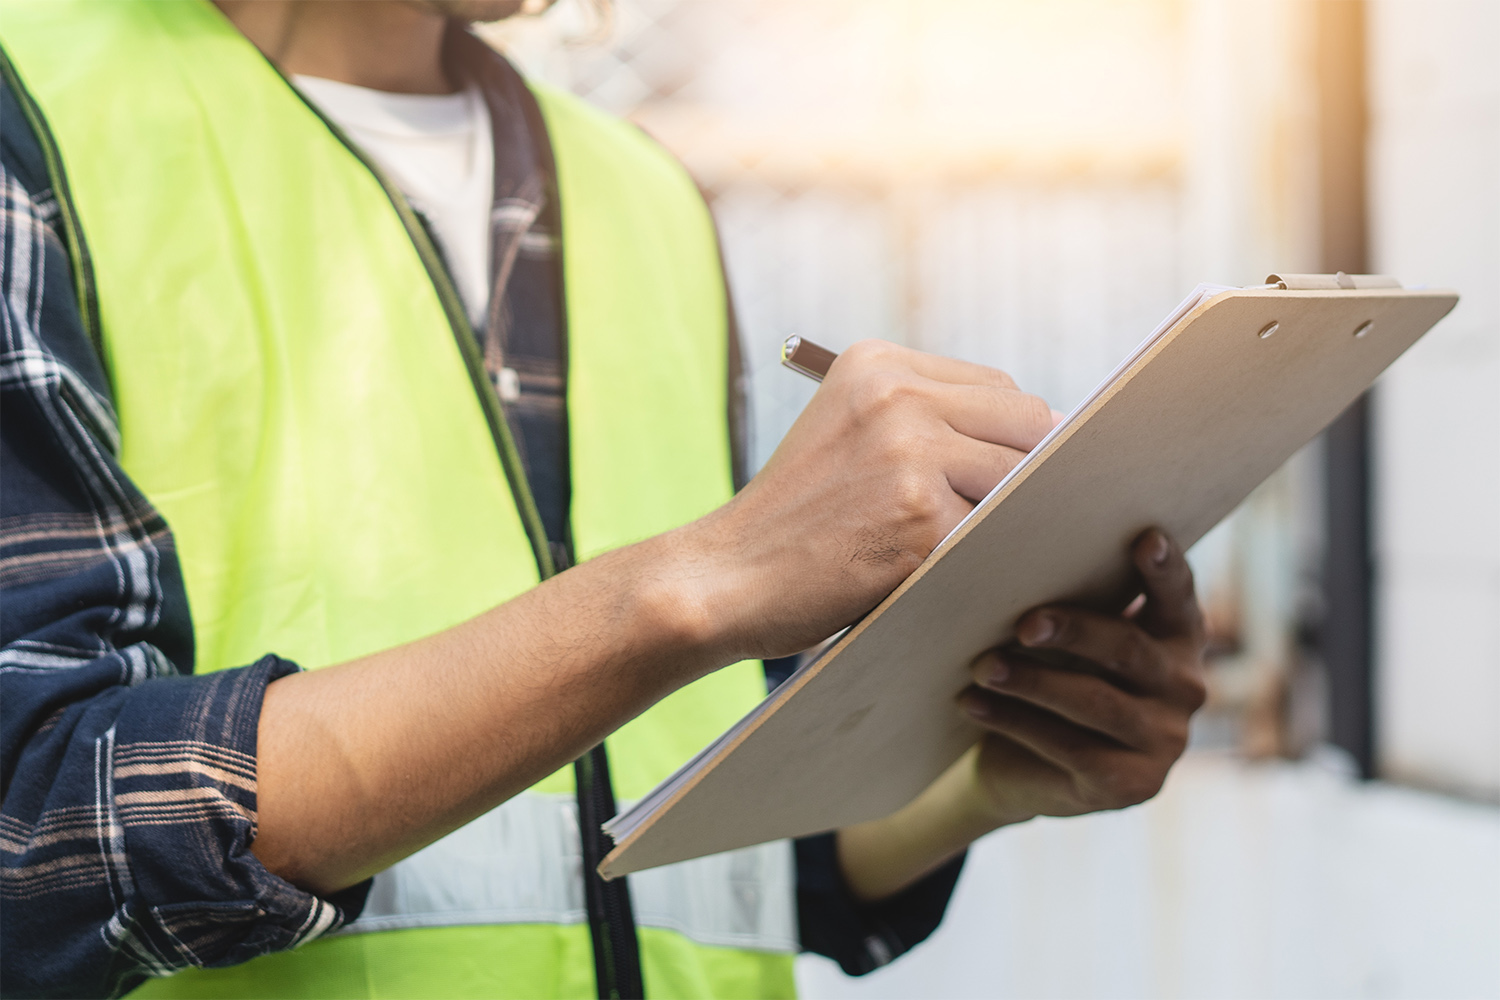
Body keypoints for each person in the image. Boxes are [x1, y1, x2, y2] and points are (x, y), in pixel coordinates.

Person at [0, 1, 1208, 997]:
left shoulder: (640, 191)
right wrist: (697, 583)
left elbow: (689, 848)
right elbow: (35, 828)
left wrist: (981, 777)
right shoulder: (37, 110)